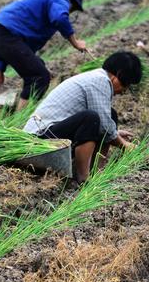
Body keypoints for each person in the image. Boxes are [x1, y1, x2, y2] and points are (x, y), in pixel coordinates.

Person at [23, 51, 141, 183]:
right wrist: (124, 144)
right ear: (118, 75)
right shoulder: (100, 80)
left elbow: (106, 122)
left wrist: (115, 134)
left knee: (109, 115)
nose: (123, 91)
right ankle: (84, 179)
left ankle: (97, 172)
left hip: (51, 135)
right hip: (38, 140)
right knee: (91, 118)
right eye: (126, 85)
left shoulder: (97, 77)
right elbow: (103, 124)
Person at [0, 0, 89, 109]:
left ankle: (21, 108)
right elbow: (60, 19)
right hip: (2, 34)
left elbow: (19, 44)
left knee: (38, 65)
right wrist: (75, 42)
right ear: (73, 2)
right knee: (39, 77)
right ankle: (20, 120)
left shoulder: (47, 1)